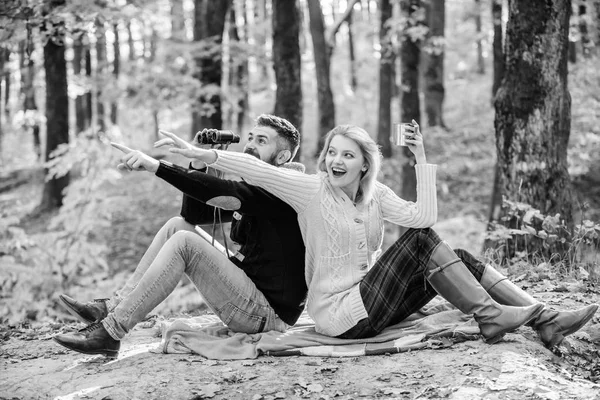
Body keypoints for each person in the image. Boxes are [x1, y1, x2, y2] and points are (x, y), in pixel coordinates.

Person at [160, 121, 598, 347]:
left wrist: (420, 155)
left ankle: (546, 320)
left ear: (364, 164)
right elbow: (255, 168)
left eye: (347, 154)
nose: (335, 160)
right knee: (423, 242)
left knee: (458, 253)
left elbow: (423, 213)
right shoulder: (312, 190)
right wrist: (203, 154)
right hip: (340, 314)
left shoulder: (377, 194)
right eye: (331, 151)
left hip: (372, 300)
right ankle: (491, 315)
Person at [53, 114, 308, 358]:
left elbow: (221, 191)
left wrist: (157, 166)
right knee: (177, 226)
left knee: (185, 243)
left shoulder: (283, 190)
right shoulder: (259, 187)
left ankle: (111, 332)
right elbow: (194, 216)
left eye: (261, 141)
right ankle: (111, 307)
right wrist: (199, 162)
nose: (250, 146)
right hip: (251, 294)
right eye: (250, 138)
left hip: (266, 314)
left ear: (283, 155)